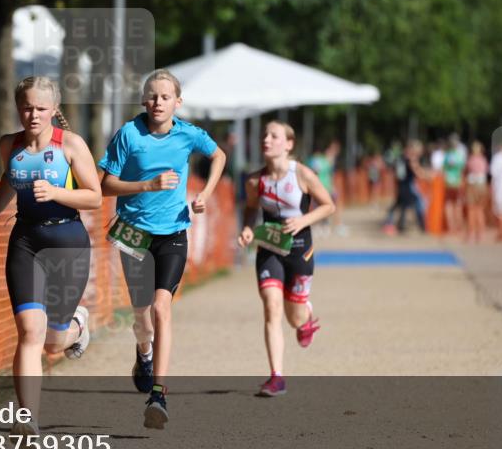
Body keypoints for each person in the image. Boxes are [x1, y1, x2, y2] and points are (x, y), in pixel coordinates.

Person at [98, 69, 226, 429]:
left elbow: (219, 156)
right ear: (143, 100)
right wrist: (148, 185)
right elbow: (104, 186)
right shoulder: (128, 134)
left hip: (172, 234)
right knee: (141, 318)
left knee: (161, 308)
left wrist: (206, 193)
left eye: (165, 97)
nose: (158, 102)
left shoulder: (188, 135)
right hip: (133, 234)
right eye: (152, 96)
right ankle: (144, 354)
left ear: (177, 102)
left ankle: (159, 394)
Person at [0, 76, 102, 437]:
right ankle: (27, 418)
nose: (33, 114)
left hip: (67, 243)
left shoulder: (71, 146)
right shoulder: (9, 145)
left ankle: (78, 327)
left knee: (52, 344)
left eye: (41, 108)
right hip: (26, 242)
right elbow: (9, 179)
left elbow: (94, 197)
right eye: (27, 107)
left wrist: (59, 192)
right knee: (30, 332)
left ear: (54, 110)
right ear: (18, 108)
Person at [237, 121, 335, 397]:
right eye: (264, 135)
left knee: (294, 317)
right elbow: (251, 208)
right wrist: (246, 229)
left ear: (288, 144)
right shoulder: (255, 181)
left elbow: (329, 205)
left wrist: (303, 220)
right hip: (269, 248)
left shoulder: (303, 174)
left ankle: (305, 320)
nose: (266, 139)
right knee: (271, 307)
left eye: (274, 136)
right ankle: (276, 377)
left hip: (300, 249)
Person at [383, 140, 428, 235]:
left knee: (400, 205)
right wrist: (428, 176)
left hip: (402, 185)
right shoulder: (410, 160)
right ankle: (421, 225)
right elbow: (418, 172)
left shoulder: (401, 158)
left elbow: (398, 173)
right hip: (407, 185)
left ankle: (395, 224)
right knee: (416, 203)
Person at [308, 140, 343, 235]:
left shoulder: (320, 160)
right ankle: (323, 226)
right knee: (327, 206)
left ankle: (324, 225)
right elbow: (317, 172)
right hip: (323, 187)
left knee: (324, 207)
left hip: (325, 187)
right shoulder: (320, 160)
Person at [464, 141, 489, 243]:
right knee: (479, 210)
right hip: (481, 185)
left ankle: (471, 234)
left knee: (471, 210)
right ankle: (480, 235)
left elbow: (467, 171)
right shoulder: (483, 160)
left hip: (472, 185)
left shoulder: (471, 160)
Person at [442, 133, 466, 235]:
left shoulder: (448, 155)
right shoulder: (460, 155)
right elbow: (462, 169)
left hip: (448, 182)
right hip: (458, 181)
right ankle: (458, 226)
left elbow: (445, 168)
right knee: (458, 204)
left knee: (449, 205)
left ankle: (452, 227)